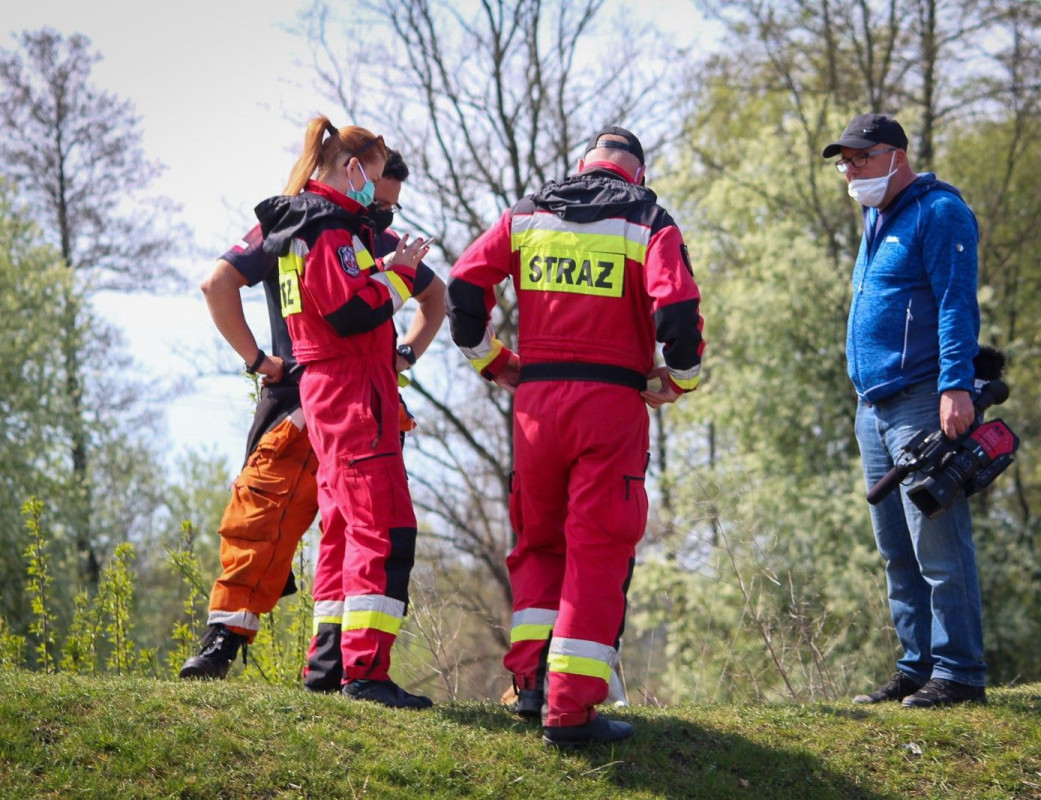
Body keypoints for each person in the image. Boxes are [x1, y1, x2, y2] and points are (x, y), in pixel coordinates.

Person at [446, 126, 704, 746]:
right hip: (609, 405)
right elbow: (678, 310)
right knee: (599, 547)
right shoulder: (648, 219)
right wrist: (681, 379)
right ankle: (570, 711)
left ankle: (531, 687)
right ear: (635, 174)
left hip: (536, 405)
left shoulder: (528, 214)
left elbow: (461, 285)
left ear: (583, 164)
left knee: (538, 542)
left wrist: (490, 359)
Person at [180, 151, 439, 694]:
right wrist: (258, 359)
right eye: (380, 199)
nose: (383, 214)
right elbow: (217, 283)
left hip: (332, 395)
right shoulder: (311, 229)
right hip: (323, 399)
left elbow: (434, 296)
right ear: (355, 172)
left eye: (390, 208)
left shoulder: (344, 231)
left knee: (321, 529)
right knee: (322, 524)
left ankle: (313, 661)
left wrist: (402, 355)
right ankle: (248, 645)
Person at [252, 117, 443, 709]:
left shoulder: (305, 227)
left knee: (340, 531)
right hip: (353, 393)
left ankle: (328, 668)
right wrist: (403, 276)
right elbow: (349, 313)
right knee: (384, 531)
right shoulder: (329, 231)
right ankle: (365, 672)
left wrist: (386, 272)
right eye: (379, 175)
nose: (380, 189)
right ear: (352, 168)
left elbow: (332, 301)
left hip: (332, 390)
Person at [823, 113, 987, 708]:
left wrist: (956, 386)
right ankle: (917, 667)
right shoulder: (877, 215)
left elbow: (954, 303)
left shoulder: (939, 211)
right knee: (897, 548)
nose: (850, 170)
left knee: (938, 545)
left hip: (923, 399)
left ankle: (960, 673)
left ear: (895, 155)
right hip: (873, 406)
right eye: (843, 161)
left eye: (859, 158)